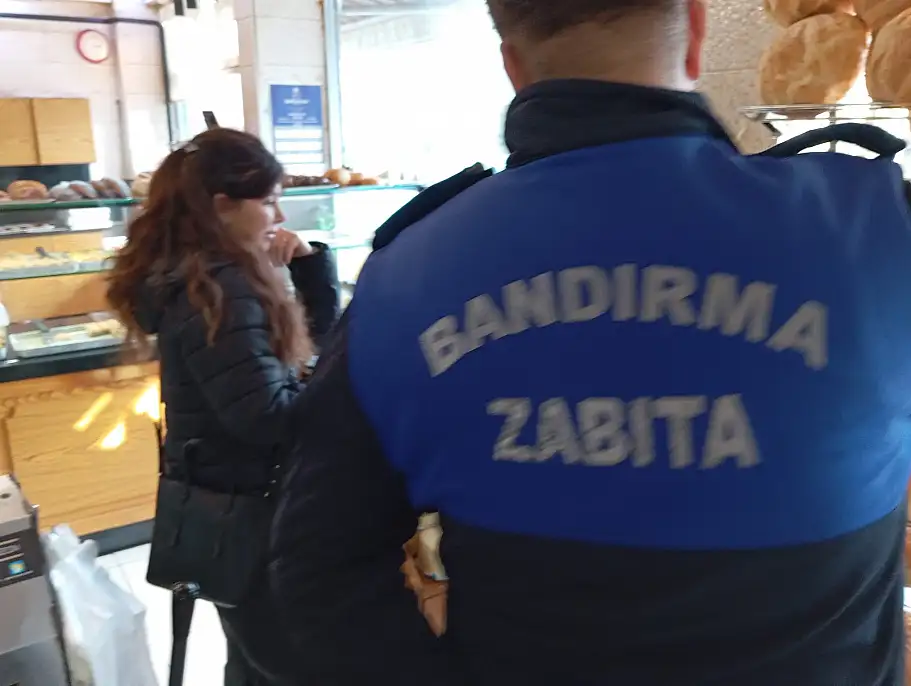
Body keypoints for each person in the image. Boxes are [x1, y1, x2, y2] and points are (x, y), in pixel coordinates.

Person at [270, 0, 911, 684]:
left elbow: (315, 572)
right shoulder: (876, 227)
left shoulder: (406, 273)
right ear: (695, 30)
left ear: (513, 66)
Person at [107, 128, 339, 686]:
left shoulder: (195, 274)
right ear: (221, 207)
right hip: (252, 509)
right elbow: (266, 417)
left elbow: (296, 361)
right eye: (268, 201)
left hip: (223, 505)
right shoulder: (220, 286)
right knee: (294, 663)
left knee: (249, 659)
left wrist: (309, 268)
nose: (278, 216)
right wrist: (338, 395)